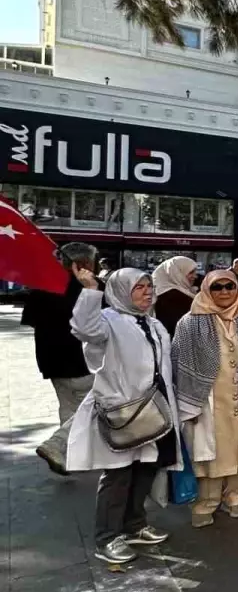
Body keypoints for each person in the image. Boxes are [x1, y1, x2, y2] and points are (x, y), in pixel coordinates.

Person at [66, 266, 181, 565]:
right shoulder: (108, 321)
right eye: (139, 287)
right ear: (120, 291)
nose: (147, 292)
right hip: (123, 413)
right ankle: (107, 537)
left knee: (145, 469)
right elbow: (83, 329)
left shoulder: (151, 324)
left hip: (153, 411)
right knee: (118, 475)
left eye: (149, 286)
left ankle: (134, 525)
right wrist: (91, 291)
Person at [172, 270, 238, 528]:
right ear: (207, 290)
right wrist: (189, 399)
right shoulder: (189, 323)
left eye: (229, 286)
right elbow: (179, 362)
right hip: (207, 401)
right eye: (217, 287)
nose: (224, 292)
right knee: (209, 455)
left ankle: (237, 497)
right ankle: (206, 503)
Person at [26, 242, 100, 475]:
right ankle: (58, 446)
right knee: (93, 407)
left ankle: (69, 456)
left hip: (52, 361)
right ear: (84, 264)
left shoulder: (43, 287)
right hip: (83, 362)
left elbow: (32, 320)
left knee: (69, 407)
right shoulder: (90, 289)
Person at [152, 256, 198, 337]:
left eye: (195, 272)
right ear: (177, 273)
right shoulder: (172, 297)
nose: (195, 276)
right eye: (191, 272)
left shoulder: (162, 292)